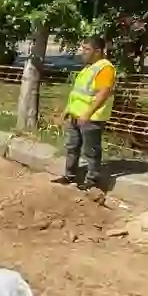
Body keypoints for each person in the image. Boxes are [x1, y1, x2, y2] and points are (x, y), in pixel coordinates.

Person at [55, 35, 117, 190]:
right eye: (82, 48)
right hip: (76, 116)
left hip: (91, 118)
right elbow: (77, 94)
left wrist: (88, 114)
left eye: (86, 49)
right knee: (72, 147)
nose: (82, 52)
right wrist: (66, 112)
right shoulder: (88, 68)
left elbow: (103, 93)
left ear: (97, 51)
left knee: (91, 150)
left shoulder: (105, 68)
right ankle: (70, 176)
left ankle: (92, 181)